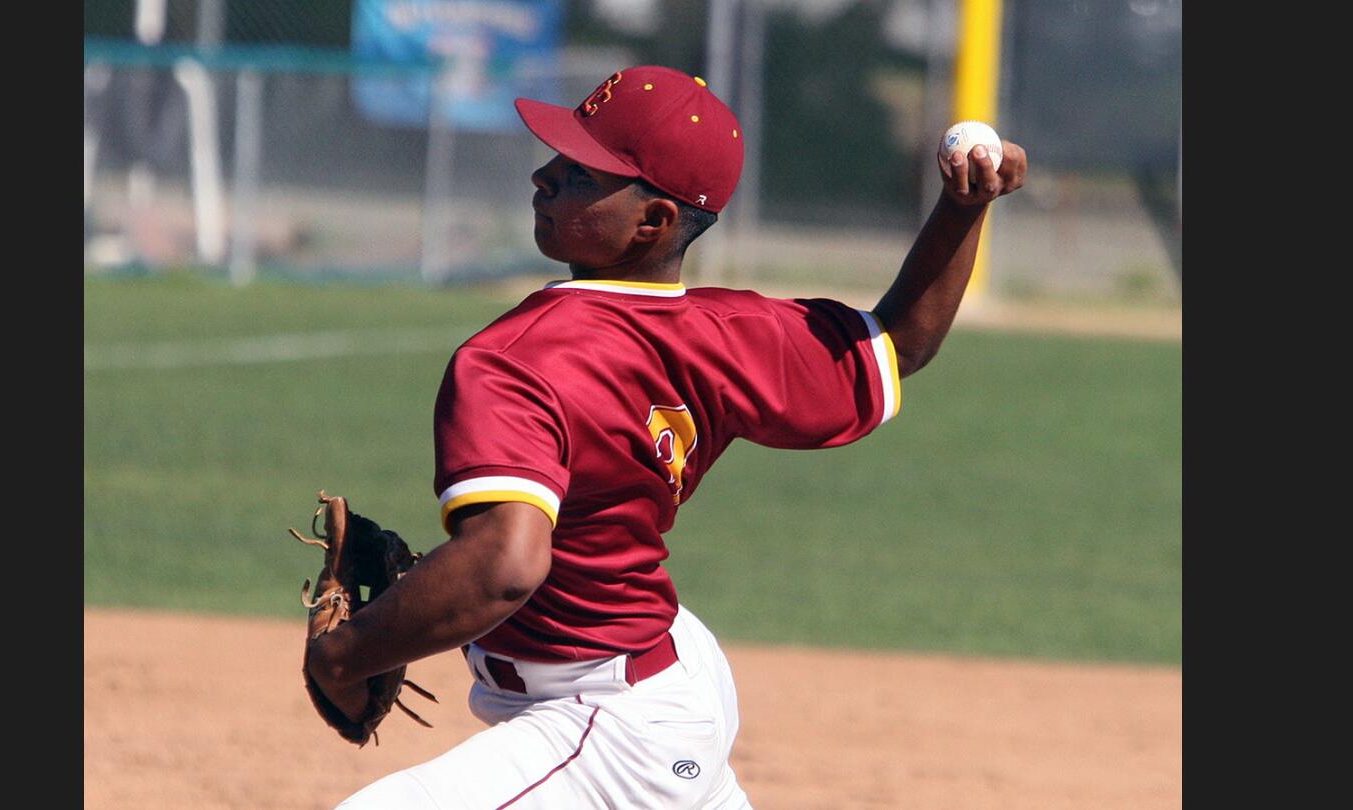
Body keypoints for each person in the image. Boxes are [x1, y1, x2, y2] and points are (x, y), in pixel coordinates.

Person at [307, 64, 1027, 808]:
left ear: (652, 221)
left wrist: (343, 656)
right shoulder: (733, 333)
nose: (544, 176)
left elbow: (503, 566)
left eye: (581, 174)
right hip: (668, 672)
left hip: (606, 725)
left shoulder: (512, 360)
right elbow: (901, 342)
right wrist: (963, 208)